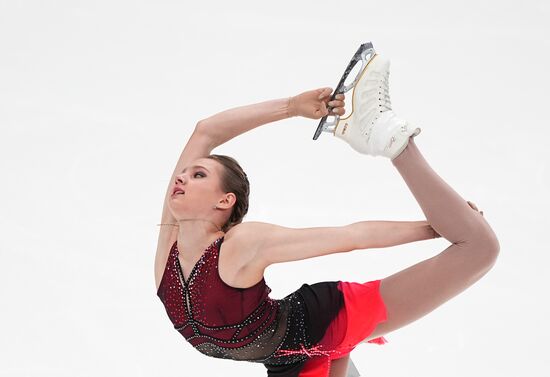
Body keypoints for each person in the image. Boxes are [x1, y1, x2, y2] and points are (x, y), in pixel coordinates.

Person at [154, 54, 499, 377]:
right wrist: (291, 106)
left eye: (198, 175)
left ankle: (391, 139)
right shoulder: (170, 243)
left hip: (325, 321)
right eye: (184, 173)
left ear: (224, 201)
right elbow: (205, 132)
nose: (180, 176)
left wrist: (434, 229)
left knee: (479, 247)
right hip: (286, 361)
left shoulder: (240, 245)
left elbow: (352, 237)